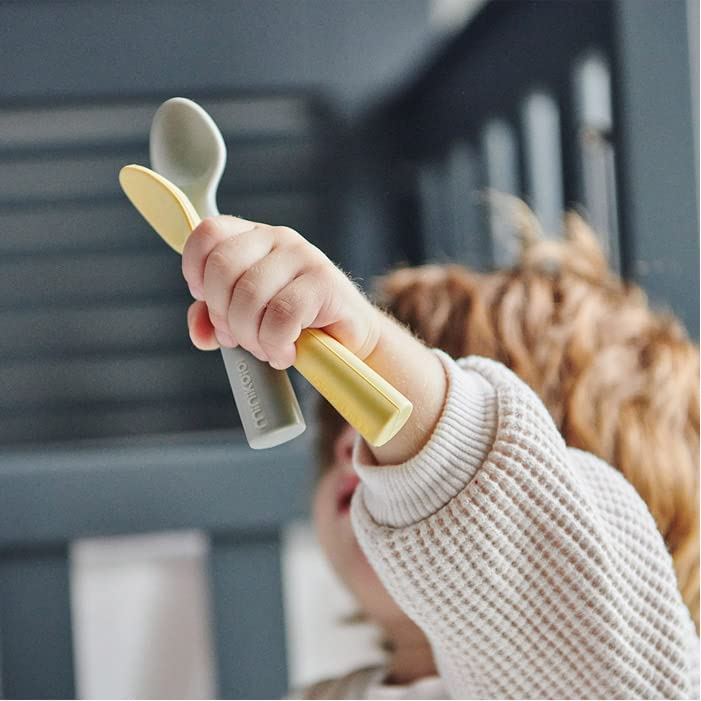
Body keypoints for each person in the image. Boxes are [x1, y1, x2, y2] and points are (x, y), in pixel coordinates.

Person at [183, 204, 699, 699]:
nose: (349, 443)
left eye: (374, 422)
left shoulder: (613, 683)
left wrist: (380, 356)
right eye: (344, 415)